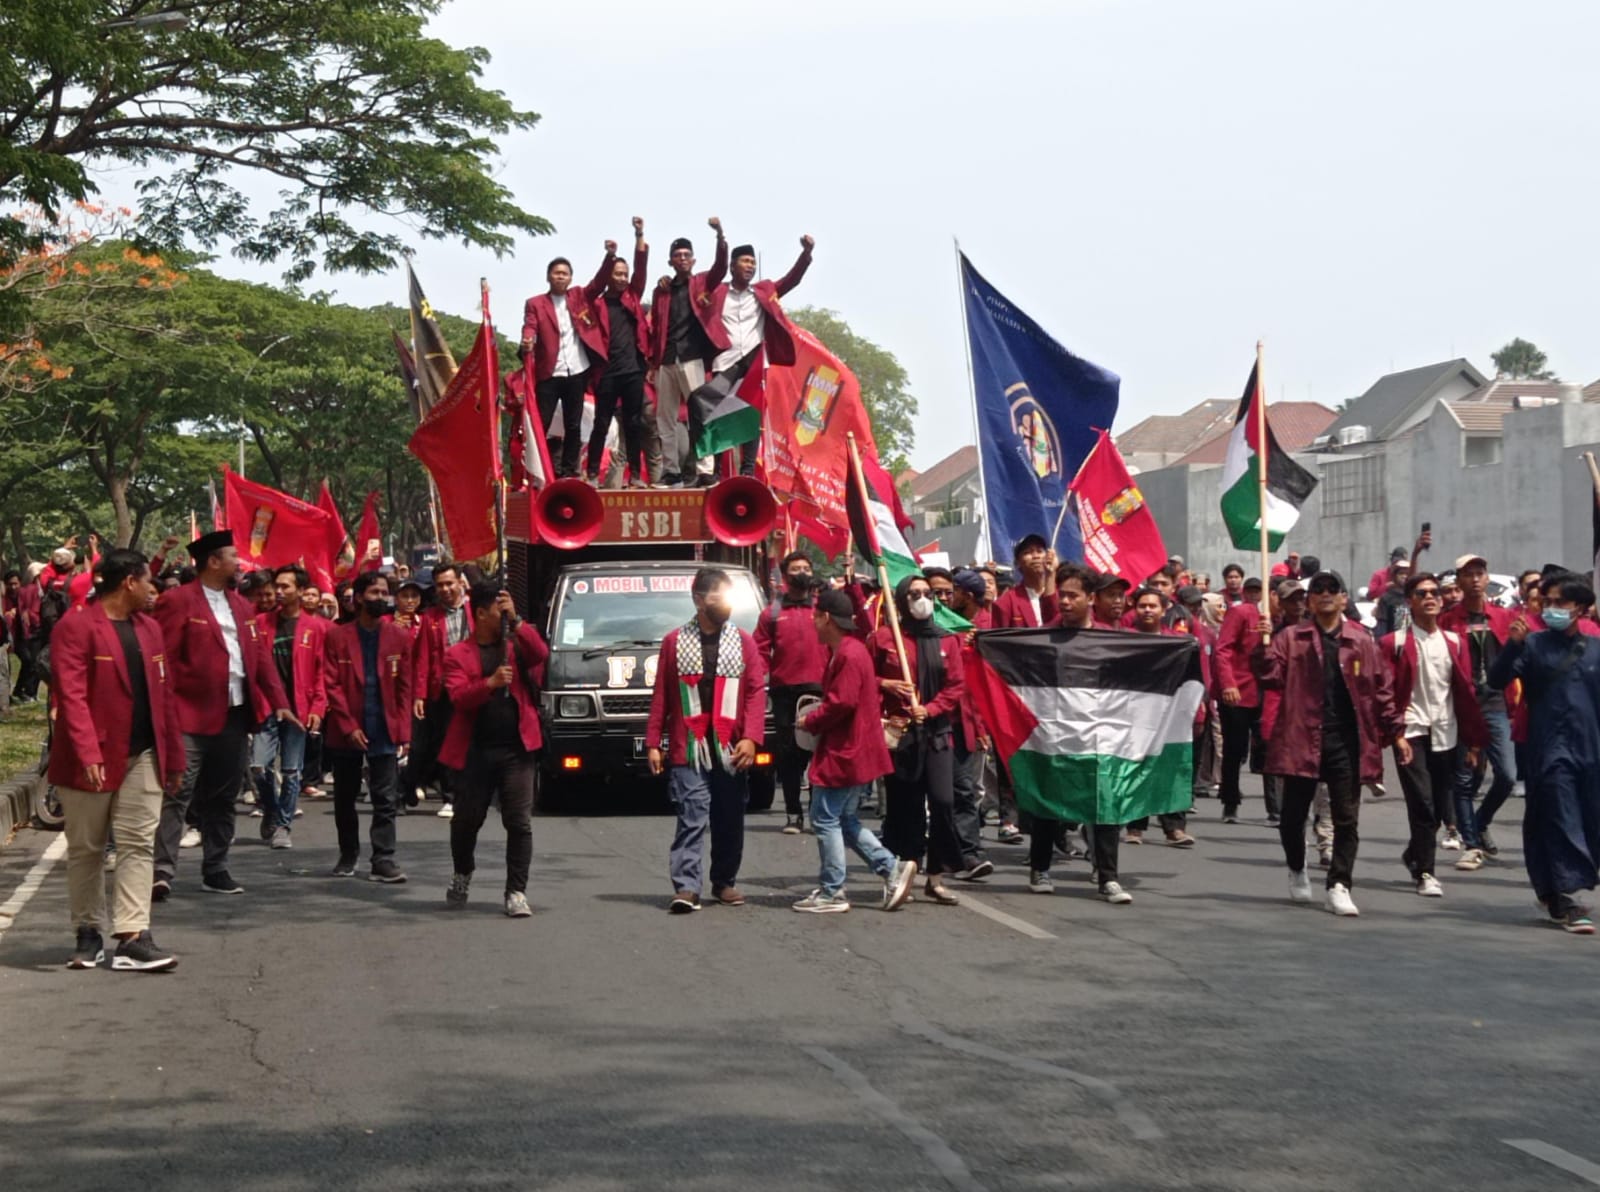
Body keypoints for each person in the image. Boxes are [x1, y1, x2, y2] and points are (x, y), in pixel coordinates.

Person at [51, 549, 185, 971]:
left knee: (138, 843)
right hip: (89, 759)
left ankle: (132, 936)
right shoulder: (75, 627)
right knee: (87, 848)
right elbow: (70, 696)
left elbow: (165, 698)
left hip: (144, 755)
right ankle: (88, 932)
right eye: (148, 581)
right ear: (128, 581)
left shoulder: (150, 629)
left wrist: (175, 758)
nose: (153, 589)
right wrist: (88, 750)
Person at [1253, 571, 1408, 916]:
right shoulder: (1291, 638)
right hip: (1301, 736)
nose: (1324, 594)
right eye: (1317, 590)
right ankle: (1297, 866)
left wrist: (1396, 733)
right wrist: (1262, 645)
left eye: (1332, 589)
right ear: (1309, 600)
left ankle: (1339, 884)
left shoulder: (1362, 639)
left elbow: (1381, 689)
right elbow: (1270, 678)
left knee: (1346, 818)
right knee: (1293, 816)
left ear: (1342, 598)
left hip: (1346, 740)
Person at [152, 531, 291, 900]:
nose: (240, 564)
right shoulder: (177, 601)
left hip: (234, 715)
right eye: (233, 556)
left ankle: (216, 868)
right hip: (187, 717)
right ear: (213, 561)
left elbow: (259, 658)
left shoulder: (243, 607)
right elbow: (161, 661)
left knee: (223, 796)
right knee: (177, 794)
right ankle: (161, 872)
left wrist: (279, 700)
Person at [647, 568, 767, 913]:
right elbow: (662, 697)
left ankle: (724, 881)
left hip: (732, 745)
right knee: (692, 813)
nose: (726, 604)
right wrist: (654, 741)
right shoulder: (674, 641)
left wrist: (751, 738)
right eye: (719, 596)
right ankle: (686, 886)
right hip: (689, 745)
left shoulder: (744, 641)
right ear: (698, 600)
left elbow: (756, 693)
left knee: (730, 815)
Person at [792, 589, 919, 913]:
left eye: (817, 615)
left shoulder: (848, 653)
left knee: (824, 818)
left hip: (846, 750)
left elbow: (842, 702)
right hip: (853, 747)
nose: (813, 621)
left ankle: (833, 891)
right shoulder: (849, 650)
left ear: (827, 619)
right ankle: (891, 869)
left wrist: (811, 719)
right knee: (844, 819)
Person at [1489, 573, 1600, 932]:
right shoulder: (1533, 645)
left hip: (1591, 750)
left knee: (1586, 820)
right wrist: (1513, 646)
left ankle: (1552, 890)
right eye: (1546, 602)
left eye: (1559, 603)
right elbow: (1495, 680)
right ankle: (1569, 897)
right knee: (1562, 816)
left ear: (1580, 608)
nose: (1550, 609)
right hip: (1549, 749)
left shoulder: (1596, 647)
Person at [439, 583, 549, 916]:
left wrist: (517, 621)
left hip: (517, 748)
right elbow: (458, 697)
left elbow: (540, 654)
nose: (501, 618)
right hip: (475, 751)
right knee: (466, 821)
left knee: (519, 822)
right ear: (481, 614)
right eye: (498, 613)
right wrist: (489, 684)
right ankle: (462, 872)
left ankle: (516, 890)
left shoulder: (514, 645)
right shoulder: (457, 654)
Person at [1381, 573, 1488, 898]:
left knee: (1441, 808)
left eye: (1434, 593)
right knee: (1423, 805)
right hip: (1411, 732)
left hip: (1447, 732)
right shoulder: (1394, 643)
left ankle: (1414, 852)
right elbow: (1383, 693)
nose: (1430, 597)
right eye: (1422, 593)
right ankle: (1425, 871)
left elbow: (1465, 693)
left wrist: (1473, 742)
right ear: (1410, 601)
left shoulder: (1455, 643)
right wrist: (1396, 734)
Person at [872, 575, 967, 906]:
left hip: (937, 734)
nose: (923, 598)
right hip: (900, 736)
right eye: (914, 594)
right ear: (902, 600)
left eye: (928, 593)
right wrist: (884, 684)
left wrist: (931, 708)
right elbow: (863, 676)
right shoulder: (886, 638)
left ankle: (936, 876)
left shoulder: (948, 641)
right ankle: (903, 872)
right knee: (905, 806)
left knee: (942, 802)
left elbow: (955, 686)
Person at [322, 572, 411, 883]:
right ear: (358, 597)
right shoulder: (337, 636)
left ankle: (383, 858)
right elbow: (332, 685)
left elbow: (405, 687)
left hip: (385, 727)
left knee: (385, 797)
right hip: (346, 728)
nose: (381, 597)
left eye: (384, 592)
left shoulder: (399, 636)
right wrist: (348, 726)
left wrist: (404, 732)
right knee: (345, 797)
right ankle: (348, 855)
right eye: (374, 592)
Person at [707, 235, 814, 477]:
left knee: (750, 418)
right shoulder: (718, 293)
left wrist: (805, 254)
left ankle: (747, 474)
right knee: (718, 418)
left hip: (754, 365)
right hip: (723, 362)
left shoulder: (763, 291)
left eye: (752, 262)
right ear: (733, 265)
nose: (750, 266)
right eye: (745, 261)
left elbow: (791, 280)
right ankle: (716, 473)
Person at [1441, 553, 1517, 871]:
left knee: (1507, 776)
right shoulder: (1447, 621)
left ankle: (1481, 820)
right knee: (1463, 779)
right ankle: (1471, 844)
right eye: (1467, 574)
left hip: (1497, 704)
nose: (1474, 578)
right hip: (1461, 706)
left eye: (1479, 573)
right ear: (1458, 581)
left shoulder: (1503, 617)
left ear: (1487, 579)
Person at [251, 564, 327, 849]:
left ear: (301, 590)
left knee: (293, 770)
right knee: (259, 766)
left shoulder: (317, 627)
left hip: (299, 708)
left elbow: (322, 672)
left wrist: (318, 708)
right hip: (266, 705)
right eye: (277, 586)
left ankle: (283, 825)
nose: (279, 592)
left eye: (286, 587)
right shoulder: (260, 622)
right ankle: (271, 808)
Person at [647, 218, 728, 486]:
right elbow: (656, 327)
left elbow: (721, 267)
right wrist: (652, 363)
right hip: (666, 359)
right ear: (670, 262)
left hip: (692, 358)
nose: (682, 259)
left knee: (700, 415)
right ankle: (671, 471)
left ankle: (705, 470)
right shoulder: (662, 291)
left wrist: (719, 236)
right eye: (677, 256)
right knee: (665, 418)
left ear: (693, 260)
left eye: (686, 255)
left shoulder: (702, 283)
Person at [754, 550, 826, 834]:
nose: (802, 572)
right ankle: (793, 813)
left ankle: (820, 814)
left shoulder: (823, 609)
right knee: (789, 755)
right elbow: (759, 649)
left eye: (806, 567)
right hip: (784, 692)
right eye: (796, 568)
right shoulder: (770, 613)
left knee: (819, 753)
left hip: (820, 689)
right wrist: (760, 678)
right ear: (785, 576)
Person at [520, 256, 607, 479]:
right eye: (557, 273)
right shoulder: (536, 303)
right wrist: (527, 339)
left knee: (573, 424)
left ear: (570, 278)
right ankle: (537, 472)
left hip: (577, 370)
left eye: (565, 273)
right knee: (542, 424)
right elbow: (530, 326)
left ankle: (570, 472)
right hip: (550, 371)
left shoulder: (578, 297)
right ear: (549, 276)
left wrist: (609, 257)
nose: (561, 277)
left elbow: (598, 283)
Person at [1125, 587, 1197, 847]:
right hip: (1136, 716)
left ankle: (1175, 827)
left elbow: (1194, 679)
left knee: (1171, 768)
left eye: (1152, 606)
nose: (1147, 610)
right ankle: (1135, 826)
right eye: (1142, 605)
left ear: (1164, 609)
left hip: (1169, 717)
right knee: (1138, 769)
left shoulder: (1178, 643)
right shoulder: (1126, 641)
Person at [584, 219, 651, 487]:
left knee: (634, 423)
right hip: (607, 372)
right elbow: (596, 281)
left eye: (625, 274)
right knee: (601, 423)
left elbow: (642, 266)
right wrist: (609, 256)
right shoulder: (597, 302)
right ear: (609, 275)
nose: (622, 278)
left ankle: (635, 475)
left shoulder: (633, 297)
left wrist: (639, 234)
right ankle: (590, 475)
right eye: (618, 273)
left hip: (632, 370)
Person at [406, 561, 472, 818]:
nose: (445, 589)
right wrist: (419, 695)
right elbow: (422, 659)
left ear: (460, 582)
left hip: (475, 685)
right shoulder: (430, 618)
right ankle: (450, 796)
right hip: (443, 689)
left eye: (449, 583)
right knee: (446, 741)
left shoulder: (474, 609)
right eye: (440, 585)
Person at [947, 568, 994, 880]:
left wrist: (981, 728)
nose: (949, 596)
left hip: (966, 724)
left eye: (954, 591)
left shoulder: (984, 632)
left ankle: (969, 855)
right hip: (933, 721)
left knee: (964, 790)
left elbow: (981, 687)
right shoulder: (940, 626)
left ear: (967, 595)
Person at [1214, 575, 1268, 823]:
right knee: (1235, 749)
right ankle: (1230, 801)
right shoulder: (1241, 613)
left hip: (1266, 692)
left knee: (1269, 749)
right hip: (1239, 692)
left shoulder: (1278, 619)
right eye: (1253, 591)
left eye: (1261, 591)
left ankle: (1275, 807)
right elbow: (1223, 649)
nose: (1257, 596)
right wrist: (1228, 683)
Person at [993, 534, 1058, 628]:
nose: (1036, 556)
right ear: (1017, 563)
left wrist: (1051, 574)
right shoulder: (1006, 602)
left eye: (1039, 551)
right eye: (1028, 552)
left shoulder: (1062, 595)